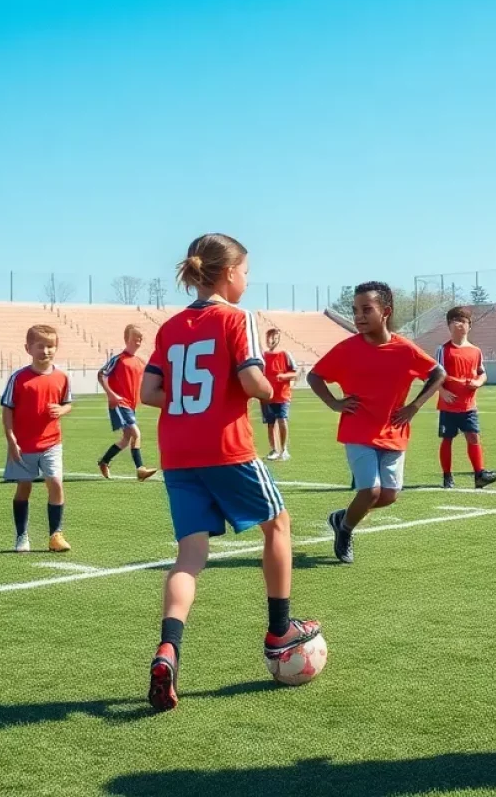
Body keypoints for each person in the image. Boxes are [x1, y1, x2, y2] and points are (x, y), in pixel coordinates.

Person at [142, 233, 320, 712]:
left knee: (189, 557)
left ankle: (168, 649)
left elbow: (150, 393)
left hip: (177, 450)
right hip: (225, 447)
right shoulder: (237, 317)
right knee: (278, 524)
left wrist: (191, 399)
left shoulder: (171, 326)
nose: (248, 279)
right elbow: (250, 381)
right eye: (246, 271)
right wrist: (276, 385)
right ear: (228, 273)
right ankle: (281, 627)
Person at [307, 281, 445, 564]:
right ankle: (346, 531)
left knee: (388, 496)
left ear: (386, 311)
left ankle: (340, 519)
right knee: (370, 490)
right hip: (358, 429)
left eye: (366, 309)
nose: (358, 316)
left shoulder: (405, 349)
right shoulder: (346, 349)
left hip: (394, 430)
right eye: (355, 310)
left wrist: (414, 406)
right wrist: (334, 403)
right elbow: (314, 376)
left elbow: (438, 373)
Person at [1, 325, 74, 554]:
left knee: (55, 483)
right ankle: (22, 535)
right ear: (28, 348)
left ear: (56, 347)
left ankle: (55, 535)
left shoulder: (62, 376)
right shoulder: (19, 378)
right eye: (40, 346)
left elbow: (68, 404)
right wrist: (11, 440)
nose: (46, 350)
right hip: (24, 445)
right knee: (24, 488)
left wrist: (61, 411)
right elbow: (7, 409)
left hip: (52, 442)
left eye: (50, 346)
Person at [434, 306, 496, 490]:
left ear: (469, 325)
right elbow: (435, 375)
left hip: (469, 405)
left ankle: (479, 474)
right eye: (455, 321)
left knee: (473, 437)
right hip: (449, 405)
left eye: (463, 321)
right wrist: (442, 391)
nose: (459, 324)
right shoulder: (443, 350)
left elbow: (482, 374)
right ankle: (447, 476)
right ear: (449, 325)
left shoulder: (475, 351)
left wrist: (478, 383)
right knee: (447, 439)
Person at [97, 323, 158, 481]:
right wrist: (111, 395)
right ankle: (140, 469)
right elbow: (101, 374)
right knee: (136, 434)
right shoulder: (119, 359)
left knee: (126, 439)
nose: (138, 340)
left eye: (140, 338)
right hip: (120, 404)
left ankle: (104, 461)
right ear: (126, 338)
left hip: (131, 406)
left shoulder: (139, 362)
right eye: (135, 337)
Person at [261, 327, 298, 461]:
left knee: (282, 420)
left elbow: (295, 373)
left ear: (278, 339)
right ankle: (274, 450)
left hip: (282, 395)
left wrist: (284, 376)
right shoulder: (262, 356)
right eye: (269, 337)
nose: (272, 340)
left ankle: (284, 450)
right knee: (270, 424)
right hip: (267, 396)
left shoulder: (285, 354)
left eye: (275, 337)